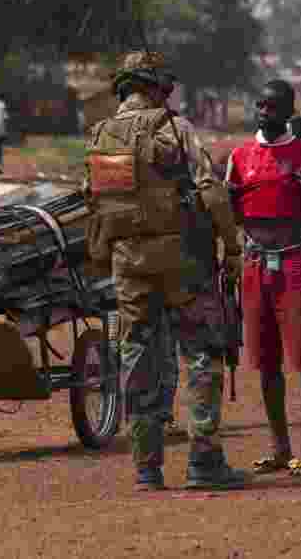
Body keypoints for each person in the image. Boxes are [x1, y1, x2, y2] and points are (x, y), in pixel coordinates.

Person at [83, 50, 250, 491]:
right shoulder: (174, 128)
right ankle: (203, 460)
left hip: (129, 265)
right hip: (184, 261)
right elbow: (210, 190)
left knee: (137, 354)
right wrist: (231, 247)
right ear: (157, 87)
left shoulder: (102, 136)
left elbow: (98, 203)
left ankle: (147, 468)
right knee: (200, 352)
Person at [225, 79, 301, 479]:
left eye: (273, 106)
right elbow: (228, 209)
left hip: (293, 260)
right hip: (255, 262)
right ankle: (280, 448)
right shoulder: (240, 156)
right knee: (265, 360)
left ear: (289, 111)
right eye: (260, 105)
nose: (264, 112)